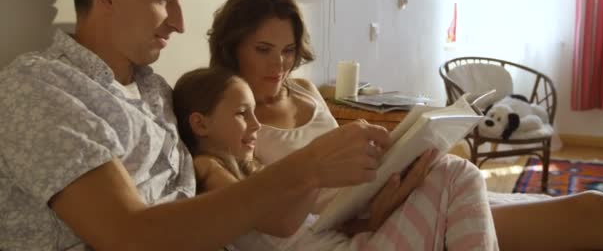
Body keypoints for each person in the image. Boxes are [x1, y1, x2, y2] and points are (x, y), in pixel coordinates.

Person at [0, 0, 418, 250]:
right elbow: (127, 235)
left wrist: (338, 189)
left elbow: (276, 221)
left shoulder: (156, 92)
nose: (179, 23)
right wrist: (307, 166)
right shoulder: (41, 87)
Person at [207, 0, 603, 251]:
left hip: (389, 194)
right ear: (232, 46)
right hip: (369, 220)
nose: (279, 64)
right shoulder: (231, 121)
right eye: (263, 49)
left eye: (288, 50)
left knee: (591, 206)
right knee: (584, 214)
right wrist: (373, 215)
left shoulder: (305, 90)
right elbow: (284, 223)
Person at [172, 66, 499, 250]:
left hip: (348, 240)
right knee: (458, 174)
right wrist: (317, 171)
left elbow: (305, 223)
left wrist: (371, 212)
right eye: (243, 114)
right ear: (201, 123)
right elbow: (279, 223)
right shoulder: (207, 168)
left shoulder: (247, 165)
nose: (257, 125)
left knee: (444, 169)